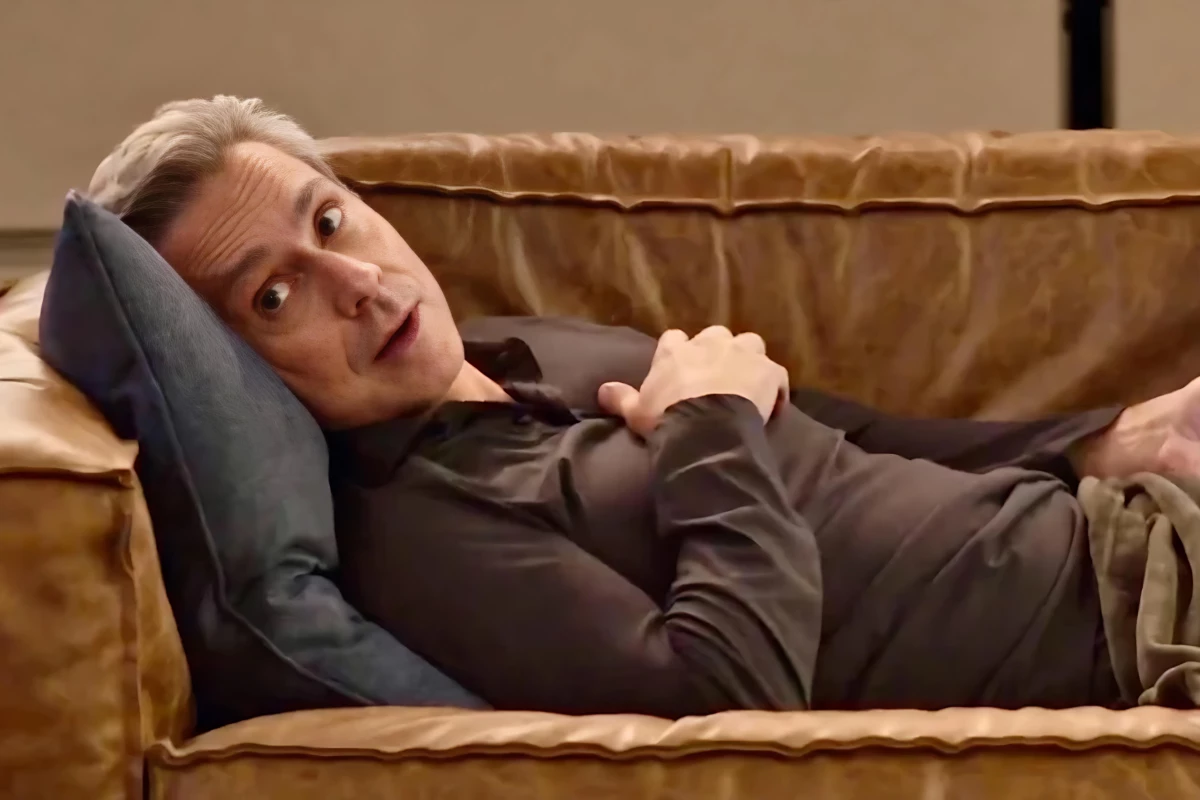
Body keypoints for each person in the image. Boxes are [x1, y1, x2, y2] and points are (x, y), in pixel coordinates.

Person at [87, 96, 1200, 718]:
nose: (360, 284)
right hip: (1134, 629)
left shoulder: (515, 345)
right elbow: (726, 707)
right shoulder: (422, 531)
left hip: (1135, 527)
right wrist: (708, 423)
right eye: (275, 296)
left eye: (329, 221)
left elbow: (839, 438)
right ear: (241, 369)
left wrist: (1100, 441)